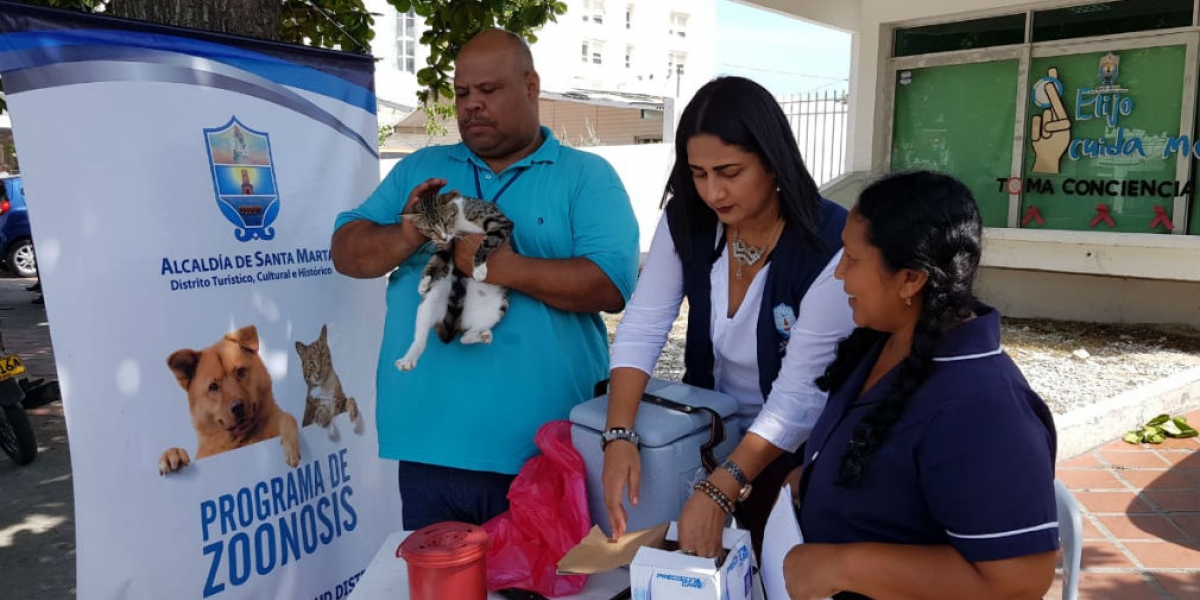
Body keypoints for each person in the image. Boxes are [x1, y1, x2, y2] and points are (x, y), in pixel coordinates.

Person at [331, 29, 639, 530]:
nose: (472, 105)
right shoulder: (422, 168)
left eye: (488, 91)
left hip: (546, 450)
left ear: (531, 86)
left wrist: (500, 268)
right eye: (461, 93)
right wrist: (410, 231)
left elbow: (610, 285)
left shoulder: (586, 176)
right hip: (430, 445)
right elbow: (347, 252)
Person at [601, 76, 855, 556]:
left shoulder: (830, 243)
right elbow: (644, 324)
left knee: (776, 567)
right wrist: (619, 434)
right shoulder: (688, 221)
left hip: (797, 453)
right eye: (698, 174)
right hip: (708, 434)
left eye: (730, 171)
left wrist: (723, 486)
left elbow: (799, 396)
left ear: (773, 161)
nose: (713, 192)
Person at [784, 171, 1058, 600]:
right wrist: (816, 479)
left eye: (853, 260)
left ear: (911, 279)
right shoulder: (885, 341)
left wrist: (841, 565)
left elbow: (1020, 581)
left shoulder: (983, 408)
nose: (839, 274)